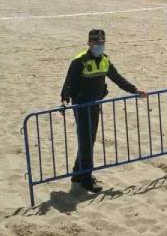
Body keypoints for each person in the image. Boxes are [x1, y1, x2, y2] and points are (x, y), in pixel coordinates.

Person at [60, 29, 145, 193]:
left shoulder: (105, 60)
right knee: (86, 141)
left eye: (102, 43)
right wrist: (65, 99)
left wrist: (134, 90)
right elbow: (69, 82)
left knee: (88, 140)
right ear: (89, 43)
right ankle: (86, 179)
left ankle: (77, 174)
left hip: (95, 105)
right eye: (96, 42)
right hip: (81, 106)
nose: (99, 45)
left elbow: (117, 78)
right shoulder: (79, 61)